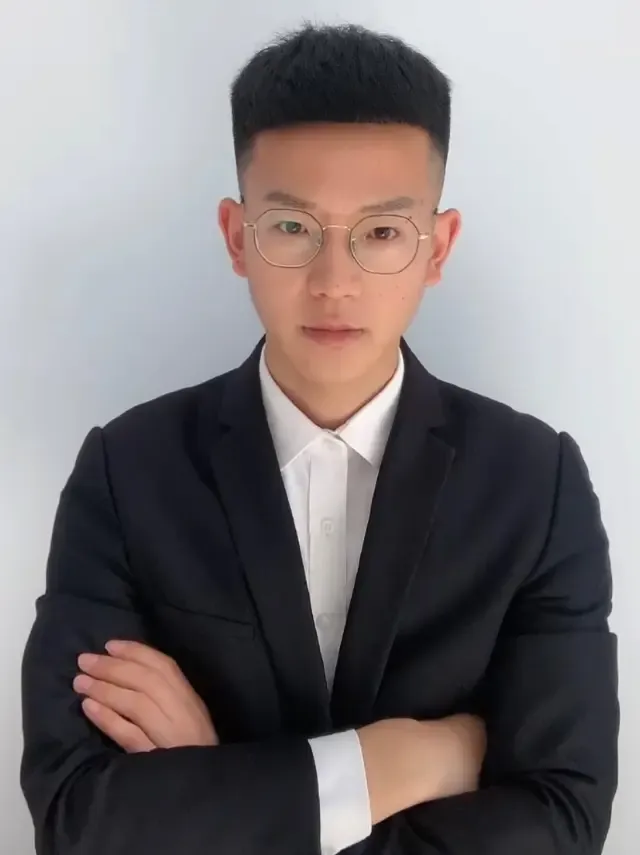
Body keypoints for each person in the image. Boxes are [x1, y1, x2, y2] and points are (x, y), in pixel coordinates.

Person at [20, 22, 618, 855]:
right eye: (293, 229)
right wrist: (403, 759)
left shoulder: (536, 484)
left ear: (437, 248)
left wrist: (221, 780)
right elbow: (76, 820)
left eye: (381, 233)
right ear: (238, 238)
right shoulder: (127, 472)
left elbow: (561, 824)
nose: (335, 283)